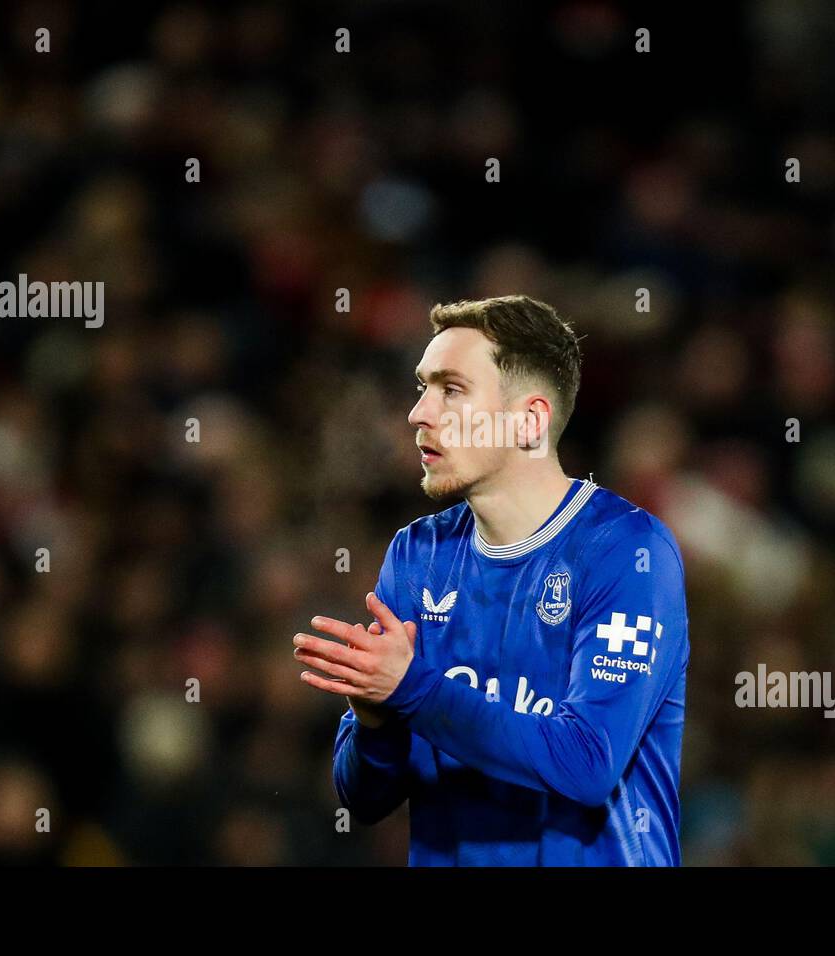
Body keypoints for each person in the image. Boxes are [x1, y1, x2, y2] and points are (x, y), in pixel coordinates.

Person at [294, 294, 689, 865]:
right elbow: (363, 796)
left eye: (452, 390)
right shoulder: (418, 554)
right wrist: (375, 720)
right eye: (422, 387)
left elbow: (588, 764)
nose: (419, 413)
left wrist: (411, 689)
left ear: (529, 422)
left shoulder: (626, 552)